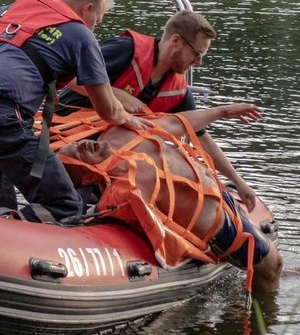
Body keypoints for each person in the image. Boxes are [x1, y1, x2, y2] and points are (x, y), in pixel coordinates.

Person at [0, 0, 150, 222]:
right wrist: (130, 119)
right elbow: (108, 111)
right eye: (97, 21)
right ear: (88, 9)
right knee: (65, 204)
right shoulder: (81, 34)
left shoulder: (11, 10)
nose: (94, 27)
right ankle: (20, 236)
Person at [56, 10, 260, 212]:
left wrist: (239, 182)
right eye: (197, 54)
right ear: (176, 41)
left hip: (110, 153)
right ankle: (70, 209)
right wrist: (115, 94)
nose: (198, 62)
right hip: (68, 136)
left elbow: (200, 137)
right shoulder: (125, 50)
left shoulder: (178, 91)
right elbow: (67, 73)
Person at [57, 111, 282, 292]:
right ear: (88, 177)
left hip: (220, 194)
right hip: (219, 226)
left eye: (76, 144)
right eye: (79, 154)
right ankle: (262, 319)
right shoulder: (124, 191)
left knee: (272, 262)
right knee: (273, 267)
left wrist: (222, 112)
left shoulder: (119, 131)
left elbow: (176, 123)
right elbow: (113, 216)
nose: (83, 145)